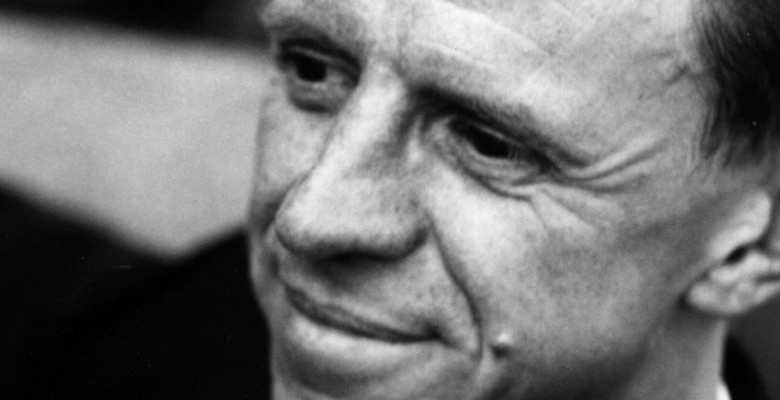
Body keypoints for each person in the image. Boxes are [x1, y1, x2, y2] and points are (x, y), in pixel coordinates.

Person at [4, 0, 779, 399]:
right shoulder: (161, 332)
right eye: (313, 68)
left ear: (752, 249)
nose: (308, 220)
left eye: (489, 143)